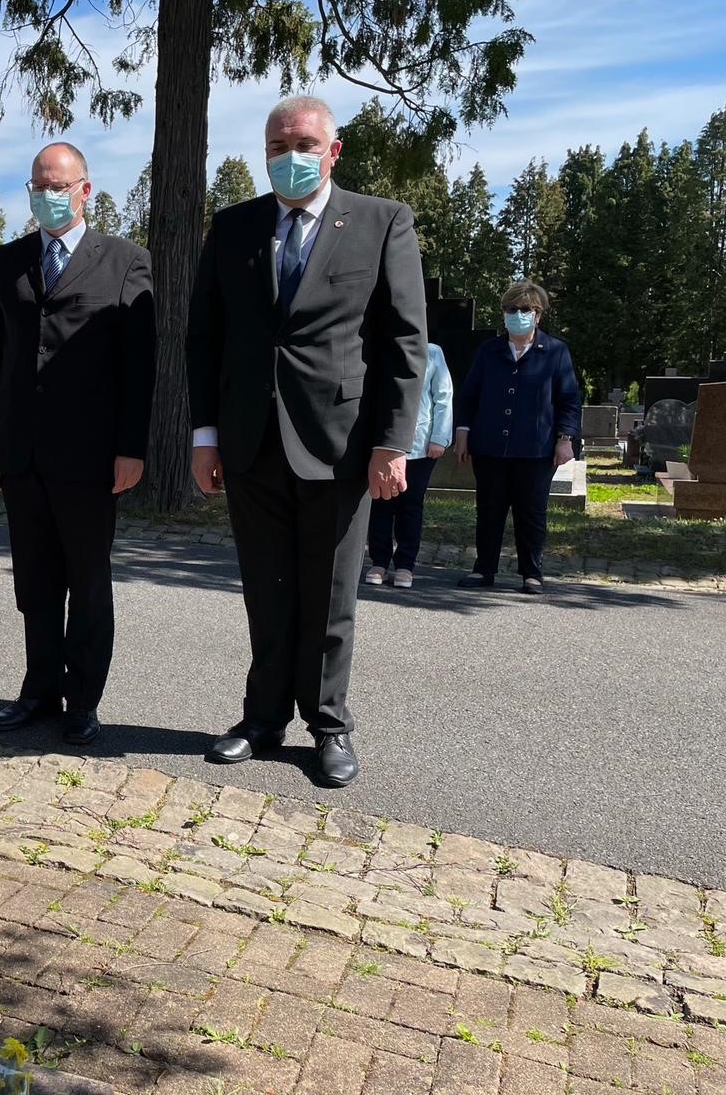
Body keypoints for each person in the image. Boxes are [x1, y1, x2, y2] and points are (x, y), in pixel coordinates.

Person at [187, 94, 427, 788]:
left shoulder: (382, 223)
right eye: (275, 146)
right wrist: (206, 437)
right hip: (250, 441)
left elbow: (404, 340)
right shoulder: (234, 227)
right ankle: (262, 720)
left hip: (339, 443)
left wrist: (392, 442)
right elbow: (205, 338)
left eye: (303, 144)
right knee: (266, 588)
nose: (289, 158)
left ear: (333, 149)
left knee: (329, 596)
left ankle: (328, 726)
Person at [0, 142, 156, 747]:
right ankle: (38, 689)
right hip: (19, 451)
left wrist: (132, 446)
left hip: (91, 456)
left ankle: (83, 700)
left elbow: (139, 363)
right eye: (37, 186)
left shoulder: (125, 261)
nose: (47, 196)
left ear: (85, 190)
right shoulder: (8, 261)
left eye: (58, 186)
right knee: (36, 578)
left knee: (87, 577)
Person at [453, 281, 580, 595]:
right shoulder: (489, 351)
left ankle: (531, 573)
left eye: (524, 310)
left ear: (537, 314)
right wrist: (463, 431)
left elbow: (569, 399)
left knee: (531, 511)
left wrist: (565, 438)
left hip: (535, 449)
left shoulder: (555, 351)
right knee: (489, 510)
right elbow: (469, 395)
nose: (517, 315)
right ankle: (484, 570)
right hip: (490, 446)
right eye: (511, 309)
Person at [366, 341, 453, 589]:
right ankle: (379, 561)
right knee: (380, 502)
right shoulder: (377, 347)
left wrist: (440, 437)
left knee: (410, 506)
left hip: (420, 444)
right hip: (382, 443)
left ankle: (405, 564)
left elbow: (444, 396)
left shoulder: (433, 352)